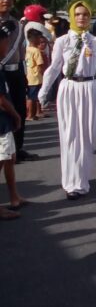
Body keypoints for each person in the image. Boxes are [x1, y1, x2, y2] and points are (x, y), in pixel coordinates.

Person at [39, 1, 96, 199]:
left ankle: (83, 178)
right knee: (70, 136)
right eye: (77, 14)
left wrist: (88, 41)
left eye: (85, 14)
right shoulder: (63, 41)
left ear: (90, 17)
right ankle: (71, 183)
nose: (81, 18)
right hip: (70, 88)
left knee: (88, 137)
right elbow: (55, 66)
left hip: (90, 88)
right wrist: (44, 89)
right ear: (71, 17)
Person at [0, 0, 35, 163]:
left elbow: (21, 52)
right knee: (5, 110)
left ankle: (18, 148)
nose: (5, 0)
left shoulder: (18, 24)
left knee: (19, 109)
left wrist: (24, 74)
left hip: (15, 72)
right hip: (1, 72)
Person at [0, 20, 28, 220]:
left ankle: (14, 196)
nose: (8, 46)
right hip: (1, 122)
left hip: (4, 123)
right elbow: (1, 100)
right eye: (5, 42)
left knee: (9, 158)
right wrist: (16, 115)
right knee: (2, 161)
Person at [25, 29, 45, 121]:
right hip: (36, 77)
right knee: (32, 97)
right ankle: (30, 115)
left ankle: (32, 114)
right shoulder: (36, 51)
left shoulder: (27, 49)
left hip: (29, 76)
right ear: (35, 39)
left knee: (31, 96)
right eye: (39, 38)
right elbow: (40, 64)